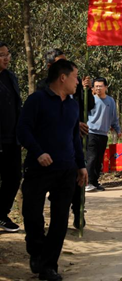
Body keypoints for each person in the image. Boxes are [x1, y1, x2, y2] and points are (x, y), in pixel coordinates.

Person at [18, 59, 88, 281]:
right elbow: (23, 130)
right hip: (38, 169)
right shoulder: (37, 100)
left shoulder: (73, 104)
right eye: (76, 77)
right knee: (32, 214)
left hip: (66, 170)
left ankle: (49, 266)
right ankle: (36, 249)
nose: (78, 82)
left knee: (60, 219)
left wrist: (81, 165)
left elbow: (74, 138)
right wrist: (38, 152)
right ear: (63, 78)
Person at [36, 48, 93, 228]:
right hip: (51, 145)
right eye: (62, 63)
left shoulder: (73, 84)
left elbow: (87, 106)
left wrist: (87, 90)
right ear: (51, 66)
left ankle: (78, 212)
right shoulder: (42, 89)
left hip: (74, 142)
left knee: (77, 178)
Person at [85, 77, 122, 192]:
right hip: (91, 132)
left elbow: (114, 118)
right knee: (91, 158)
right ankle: (88, 182)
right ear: (93, 88)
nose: (98, 88)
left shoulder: (110, 101)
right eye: (96, 86)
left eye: (101, 86)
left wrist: (118, 129)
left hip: (103, 134)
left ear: (106, 87)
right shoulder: (90, 100)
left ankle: (95, 182)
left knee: (99, 159)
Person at [0, 42, 22, 232]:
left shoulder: (11, 77)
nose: (6, 58)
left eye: (7, 54)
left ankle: (1, 214)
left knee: (14, 176)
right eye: (2, 55)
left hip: (12, 138)